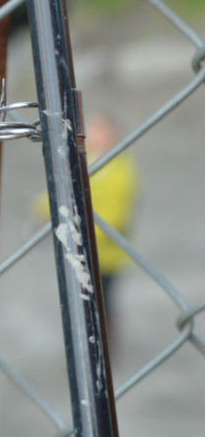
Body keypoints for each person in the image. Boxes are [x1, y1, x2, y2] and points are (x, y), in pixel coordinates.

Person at [35, 114, 139, 342]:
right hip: (80, 249)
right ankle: (87, 338)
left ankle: (105, 342)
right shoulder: (83, 159)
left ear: (112, 137)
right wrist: (42, 210)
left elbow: (115, 218)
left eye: (99, 131)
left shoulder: (120, 173)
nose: (91, 135)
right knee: (80, 298)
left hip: (106, 255)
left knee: (102, 300)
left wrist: (77, 232)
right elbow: (61, 188)